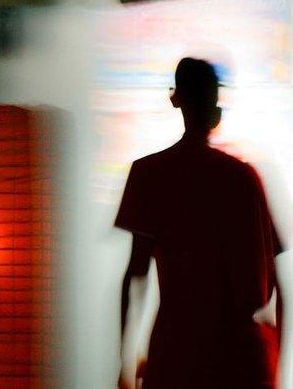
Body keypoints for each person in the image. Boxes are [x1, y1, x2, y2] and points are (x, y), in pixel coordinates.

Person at [116, 58, 283, 389]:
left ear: (175, 98)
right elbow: (279, 284)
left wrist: (124, 361)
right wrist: (278, 370)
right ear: (215, 101)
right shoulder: (243, 178)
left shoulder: (149, 174)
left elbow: (135, 275)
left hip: (175, 353)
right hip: (238, 358)